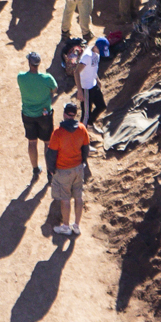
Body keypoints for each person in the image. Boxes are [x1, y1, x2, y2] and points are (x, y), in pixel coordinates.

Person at [46, 102, 93, 237]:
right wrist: (82, 162)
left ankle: (66, 226)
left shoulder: (58, 132)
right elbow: (86, 149)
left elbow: (51, 154)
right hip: (78, 169)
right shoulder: (82, 129)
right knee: (78, 196)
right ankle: (76, 226)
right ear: (74, 115)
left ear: (65, 114)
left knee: (65, 199)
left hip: (63, 170)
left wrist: (51, 169)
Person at [17, 50, 58, 174]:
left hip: (28, 114)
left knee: (32, 142)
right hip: (44, 115)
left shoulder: (21, 77)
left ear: (29, 63)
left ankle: (35, 169)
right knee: (47, 143)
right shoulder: (47, 78)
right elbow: (55, 89)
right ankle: (49, 171)